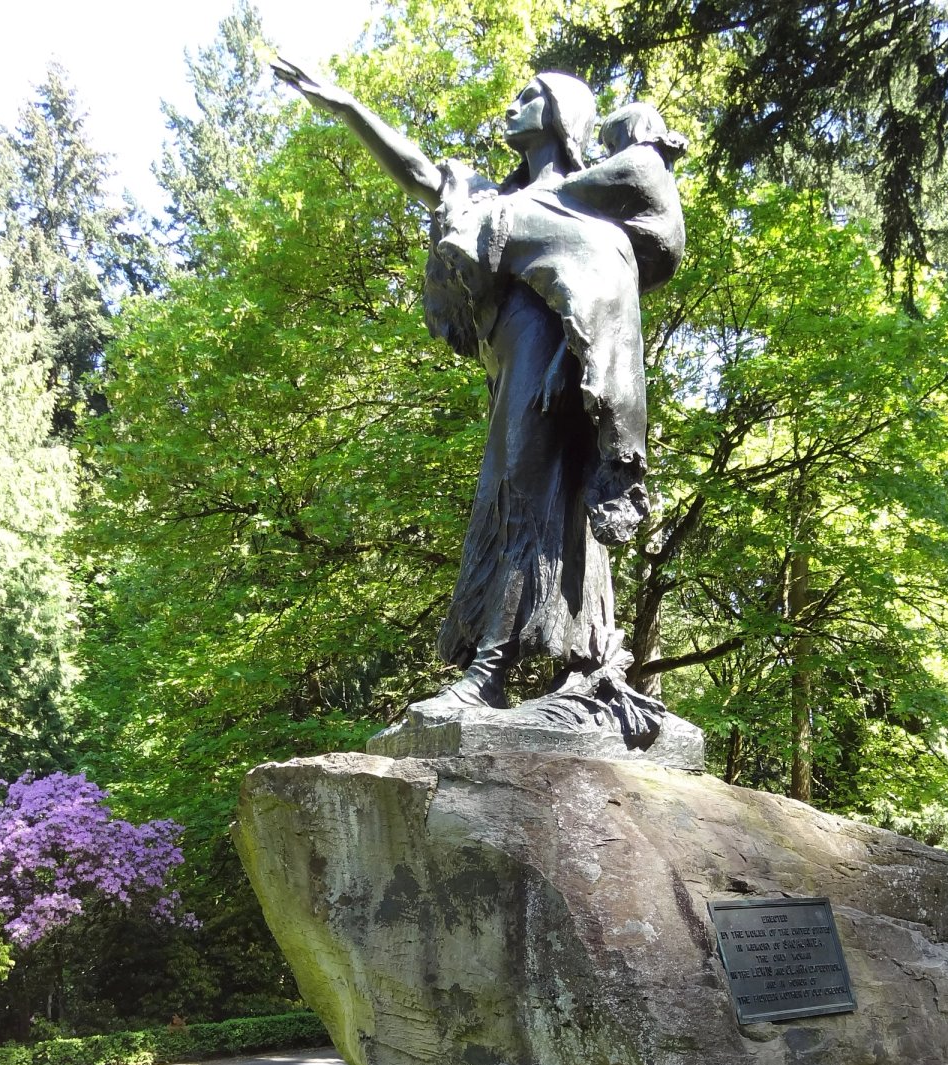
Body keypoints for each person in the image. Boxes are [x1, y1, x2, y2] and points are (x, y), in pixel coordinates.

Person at [271, 62, 684, 732]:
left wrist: (574, 363)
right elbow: (423, 174)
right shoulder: (496, 199)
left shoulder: (585, 205)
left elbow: (607, 296)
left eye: (530, 98)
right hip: (513, 367)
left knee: (527, 499)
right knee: (515, 498)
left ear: (562, 115)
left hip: (557, 370)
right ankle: (573, 667)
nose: (512, 106)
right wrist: (349, 108)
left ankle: (495, 674)